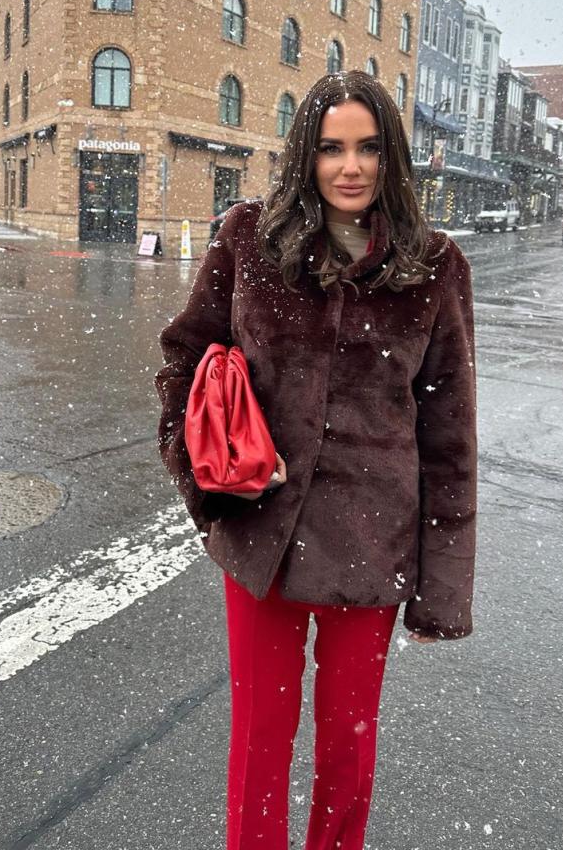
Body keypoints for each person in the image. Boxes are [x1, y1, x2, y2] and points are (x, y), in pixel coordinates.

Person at [155, 69, 477, 850]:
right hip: (260, 535)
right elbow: (184, 359)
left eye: (368, 147)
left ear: (391, 156)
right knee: (259, 745)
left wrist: (442, 591)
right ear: (307, 155)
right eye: (331, 148)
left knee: (347, 748)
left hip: (372, 548)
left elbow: (450, 434)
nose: (350, 167)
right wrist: (206, 485)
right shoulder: (247, 239)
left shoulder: (434, 265)